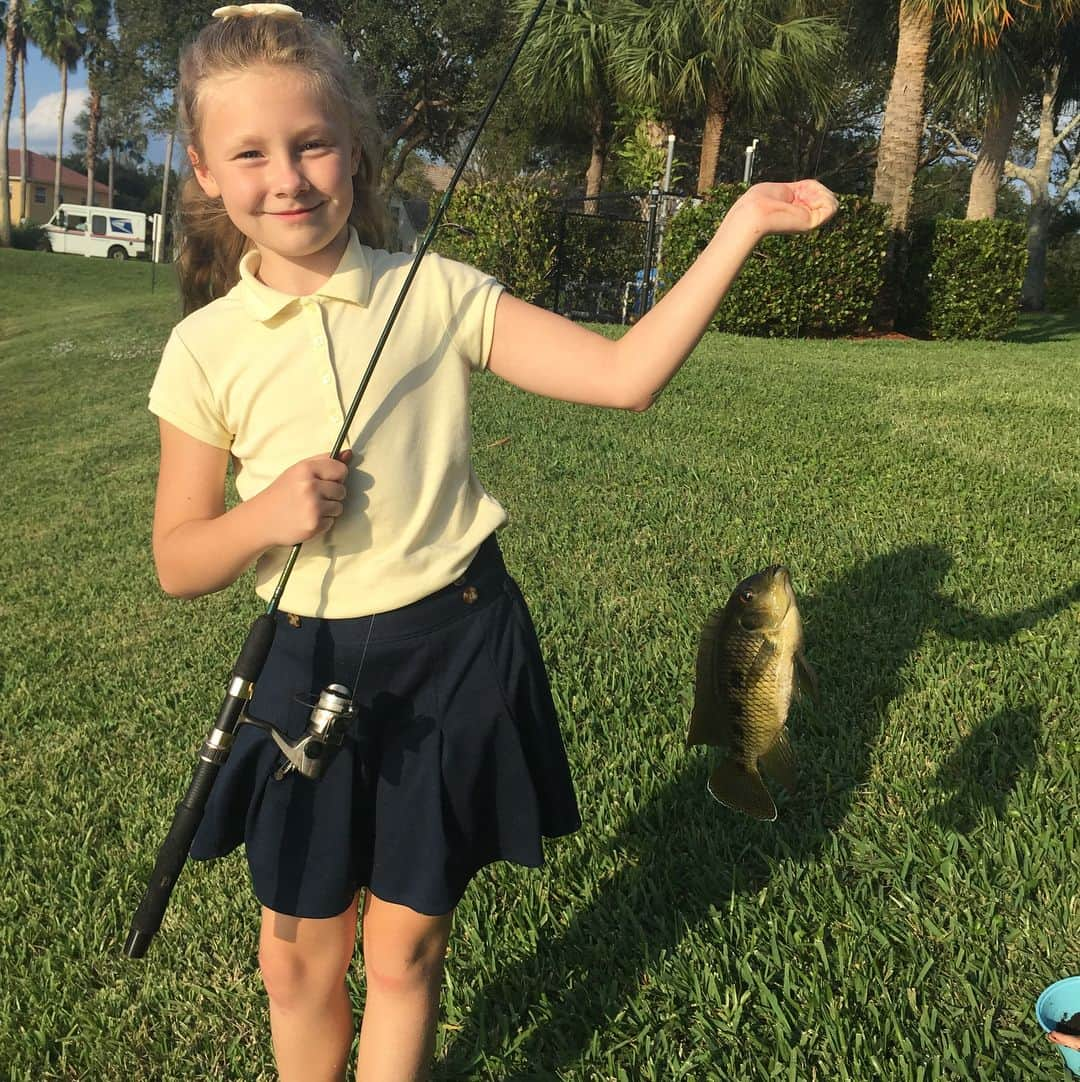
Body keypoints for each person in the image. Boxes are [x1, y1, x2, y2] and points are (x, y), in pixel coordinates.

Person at [148, 5, 839, 1080]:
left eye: (312, 142)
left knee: (408, 946)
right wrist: (261, 517)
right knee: (297, 960)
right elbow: (179, 557)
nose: (286, 177)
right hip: (303, 665)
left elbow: (624, 376)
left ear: (356, 147)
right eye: (250, 153)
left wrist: (740, 221)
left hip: (456, 652)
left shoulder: (437, 292)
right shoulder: (203, 348)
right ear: (204, 167)